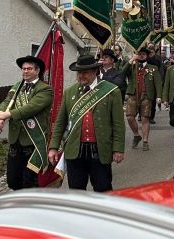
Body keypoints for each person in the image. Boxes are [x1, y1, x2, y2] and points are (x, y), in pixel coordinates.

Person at [49, 50, 125, 192]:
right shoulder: (69, 92)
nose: (80, 76)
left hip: (100, 150)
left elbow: (118, 124)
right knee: (76, 192)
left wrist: (118, 149)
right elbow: (60, 122)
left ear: (95, 71)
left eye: (85, 72)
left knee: (103, 191)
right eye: (78, 72)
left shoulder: (111, 91)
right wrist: (53, 147)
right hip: (75, 150)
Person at [0, 55, 53, 191]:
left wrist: (8, 114)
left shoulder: (45, 89)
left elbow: (31, 108)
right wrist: (0, 116)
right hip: (15, 141)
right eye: (23, 69)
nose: (25, 71)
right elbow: (6, 102)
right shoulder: (17, 86)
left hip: (33, 141)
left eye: (29, 68)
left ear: (37, 71)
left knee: (30, 182)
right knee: (13, 181)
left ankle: (30, 204)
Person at [122, 46, 159, 150]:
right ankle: (136, 135)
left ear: (147, 56)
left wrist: (159, 96)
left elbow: (158, 83)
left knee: (144, 118)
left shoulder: (153, 68)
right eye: (139, 54)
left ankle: (145, 141)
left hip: (146, 95)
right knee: (129, 117)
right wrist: (131, 60)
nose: (141, 56)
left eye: (143, 54)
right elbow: (122, 73)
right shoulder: (132, 66)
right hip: (133, 94)